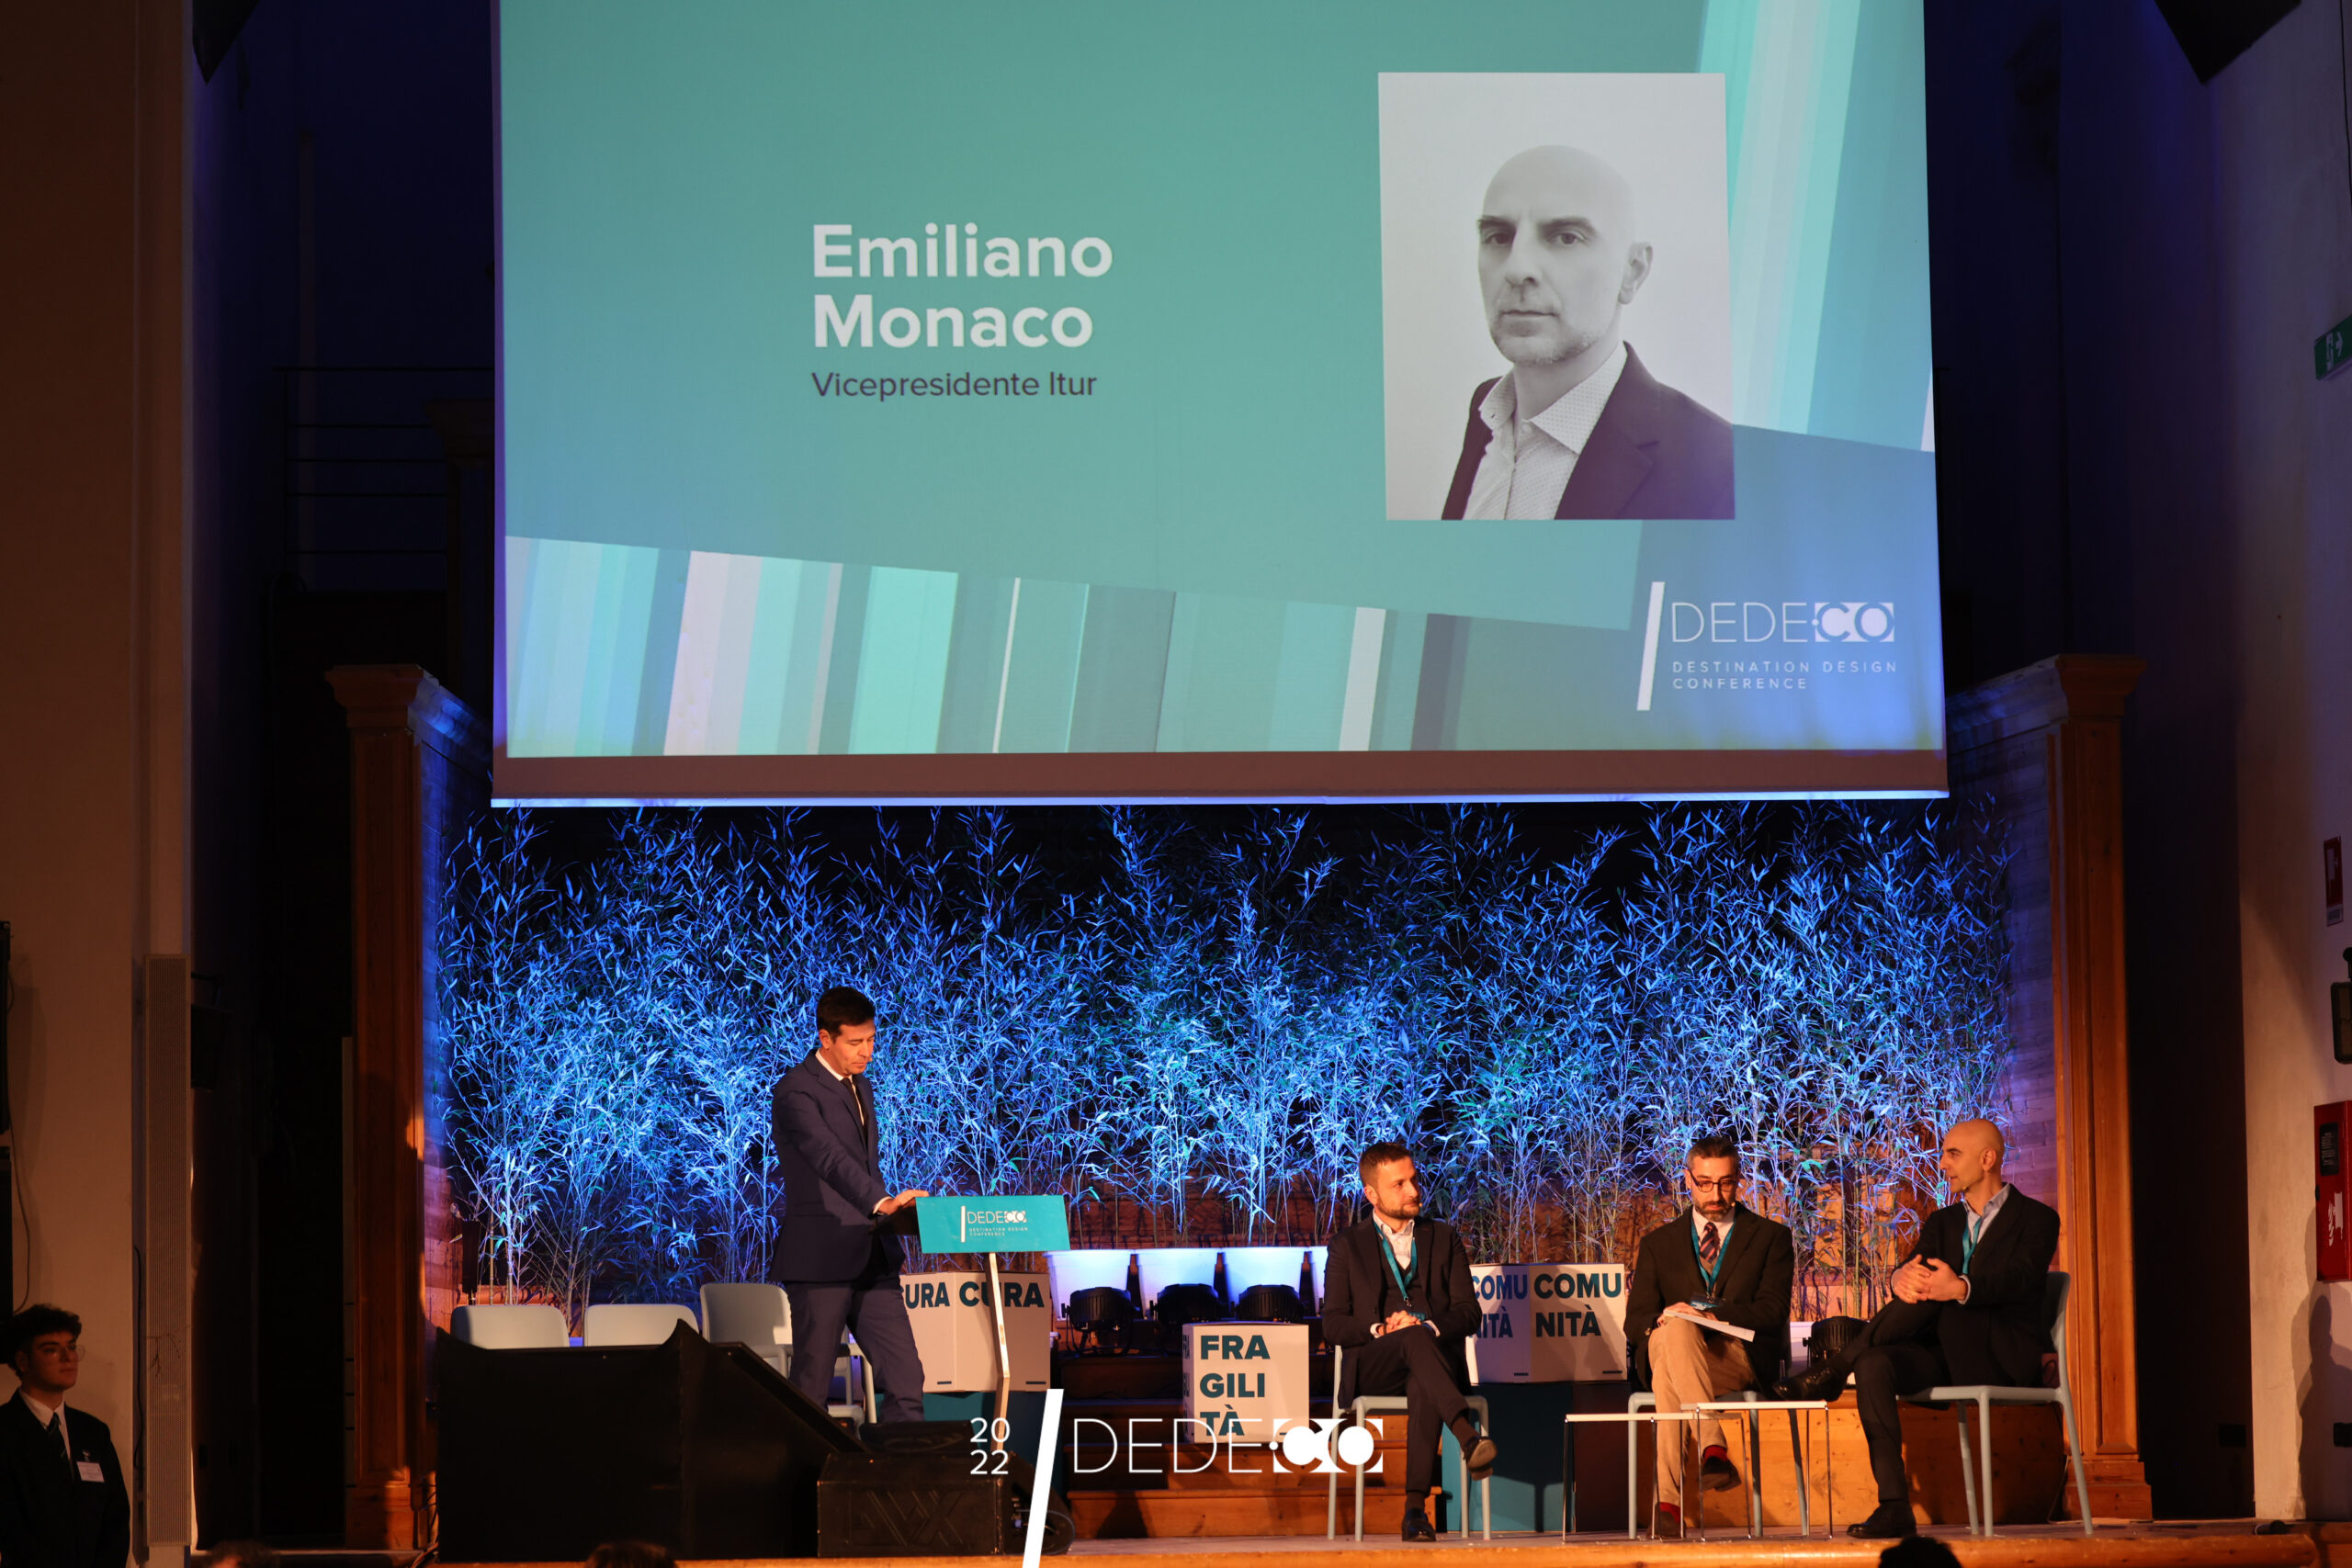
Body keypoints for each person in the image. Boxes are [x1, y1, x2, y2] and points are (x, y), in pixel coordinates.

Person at [1774, 1119, 2060, 1540]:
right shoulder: (1943, 1222)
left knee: (1933, 1293)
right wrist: (1898, 1280)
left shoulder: (2037, 1219)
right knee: (1874, 1363)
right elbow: (1913, 1269)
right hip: (1943, 1354)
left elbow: (2019, 1279)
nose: (1942, 1163)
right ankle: (1893, 1505)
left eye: (1953, 1154)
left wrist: (1958, 1288)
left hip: (1999, 1357)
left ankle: (1835, 1368)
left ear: (1987, 1159)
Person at [1440, 144, 1734, 522]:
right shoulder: (1487, 409)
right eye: (1498, 236)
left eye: (1566, 237)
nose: (1517, 268)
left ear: (1632, 271)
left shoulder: (1718, 469)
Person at [1321, 1142, 1496, 1542]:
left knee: (1422, 1366)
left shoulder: (1443, 1237)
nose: (1414, 1191)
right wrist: (1381, 1330)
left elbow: (1469, 1314)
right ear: (1372, 1193)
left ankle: (1415, 1512)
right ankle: (1467, 1437)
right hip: (1376, 1365)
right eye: (1398, 1184)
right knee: (1412, 1342)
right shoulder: (1346, 1245)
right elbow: (1333, 1325)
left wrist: (1428, 1326)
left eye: (1414, 1180)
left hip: (1432, 1364)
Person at [1622, 1134, 1794, 1540]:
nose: (1716, 1194)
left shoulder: (1771, 1237)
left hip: (1736, 1357)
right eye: (1705, 1183)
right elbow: (1635, 1321)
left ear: (1739, 1179)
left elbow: (1772, 1312)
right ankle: (1712, 1449)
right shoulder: (1658, 1243)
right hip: (1676, 1352)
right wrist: (1670, 1320)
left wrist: (1706, 1314)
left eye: (1726, 1183)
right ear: (1687, 1179)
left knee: (1670, 1365)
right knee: (1674, 1334)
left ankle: (1668, 1504)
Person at [773, 986, 930, 1424]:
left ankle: (904, 1468)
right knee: (812, 1389)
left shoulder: (862, 1086)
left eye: (872, 1040)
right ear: (826, 1038)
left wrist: (891, 1209)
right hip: (822, 1258)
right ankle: (810, 1468)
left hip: (872, 1255)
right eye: (855, 1042)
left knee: (907, 1380)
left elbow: (863, 1163)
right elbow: (829, 1158)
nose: (867, 1052)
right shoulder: (795, 1091)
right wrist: (882, 1202)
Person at [0, 1304, 130, 1568]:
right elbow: (9, 1524)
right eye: (52, 1349)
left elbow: (115, 1517)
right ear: (23, 1361)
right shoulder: (4, 1429)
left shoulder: (93, 1431)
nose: (68, 1358)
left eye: (71, 1347)